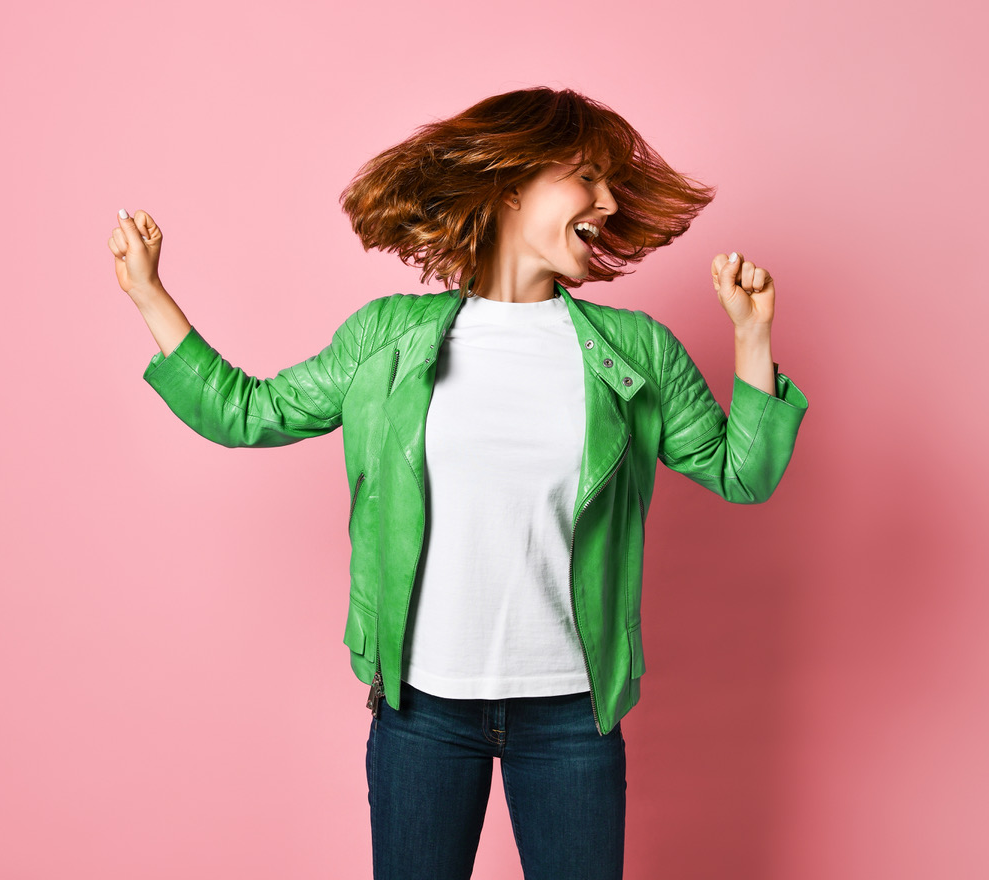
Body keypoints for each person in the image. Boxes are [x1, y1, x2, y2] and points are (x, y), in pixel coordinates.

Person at [108, 87, 809, 880]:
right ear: (513, 184)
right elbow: (248, 412)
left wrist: (753, 339)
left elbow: (739, 472)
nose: (609, 202)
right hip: (423, 709)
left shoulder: (636, 349)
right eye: (587, 177)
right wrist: (148, 295)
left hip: (576, 712)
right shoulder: (389, 338)